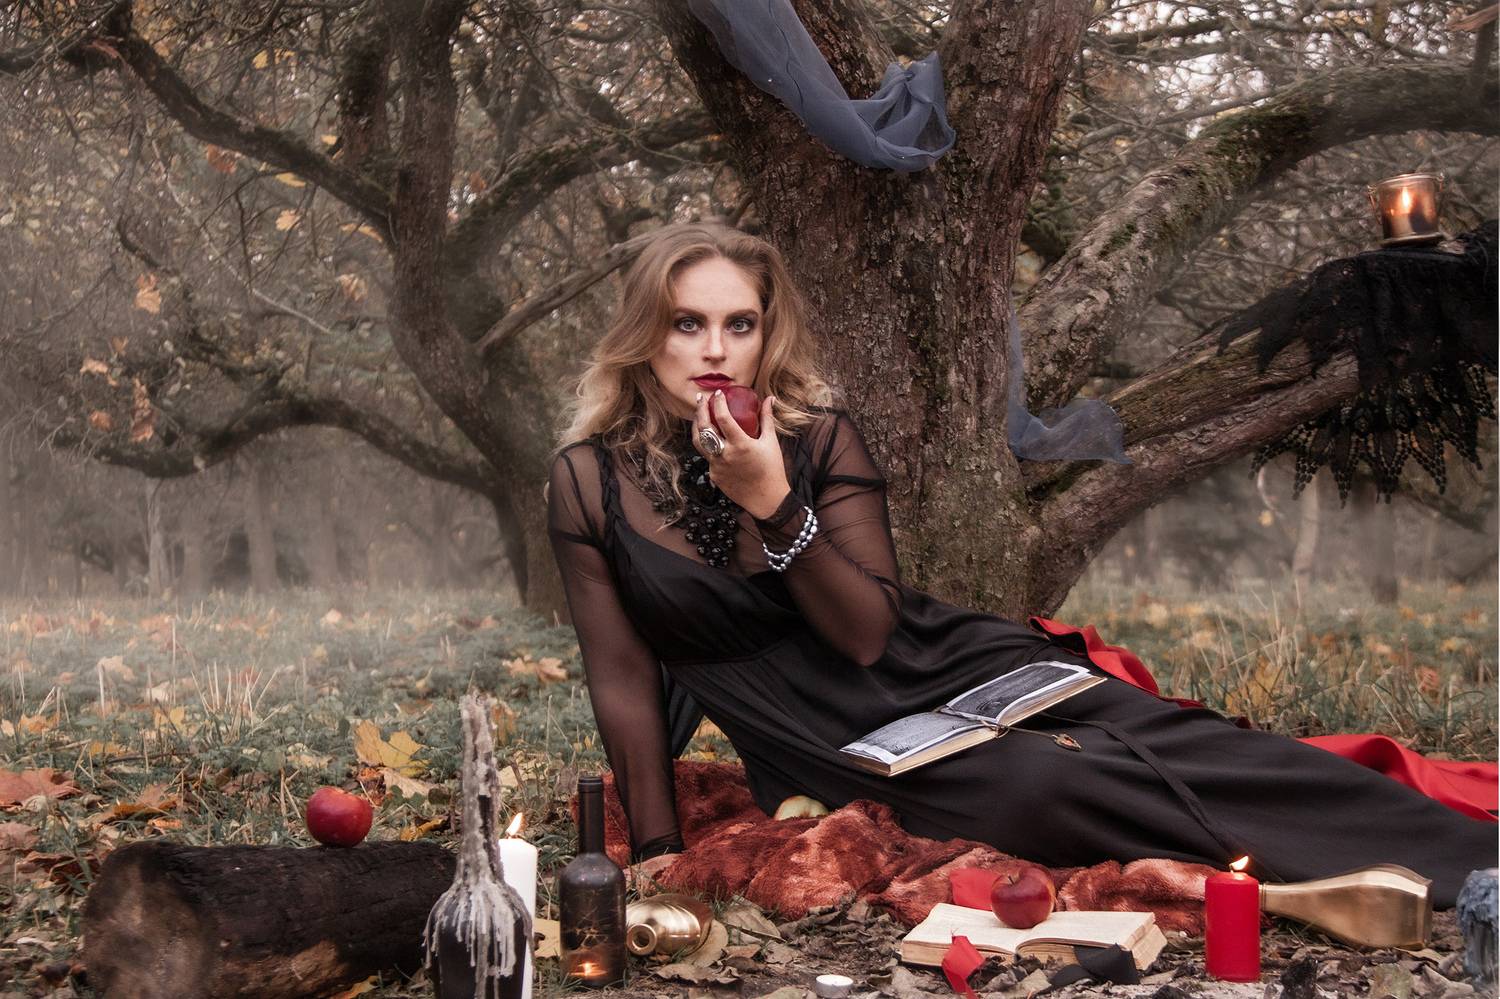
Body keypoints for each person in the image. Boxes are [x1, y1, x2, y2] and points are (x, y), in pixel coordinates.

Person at [545, 220, 1494, 906]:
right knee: (1054, 784)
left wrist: (774, 502)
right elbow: (621, 675)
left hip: (940, 664)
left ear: (768, 332)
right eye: (687, 323)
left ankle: (1468, 865)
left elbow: (868, 633)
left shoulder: (819, 439)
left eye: (740, 324)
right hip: (838, 742)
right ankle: (1346, 874)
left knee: (1185, 741)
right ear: (645, 333)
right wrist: (656, 851)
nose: (715, 350)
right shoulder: (586, 481)